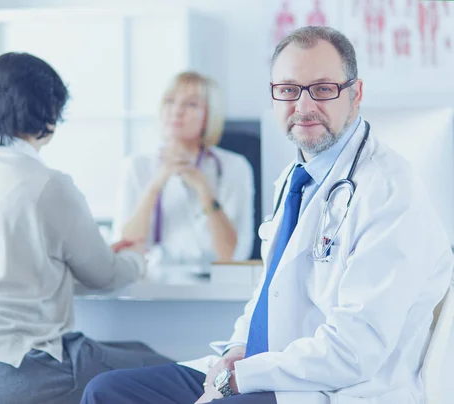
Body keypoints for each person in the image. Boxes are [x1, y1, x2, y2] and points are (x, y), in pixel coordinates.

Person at [80, 26, 454, 404]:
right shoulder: (295, 178)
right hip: (274, 368)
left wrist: (241, 376)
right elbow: (267, 294)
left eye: (323, 89)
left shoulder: (390, 193)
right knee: (107, 392)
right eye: (289, 90)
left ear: (355, 95)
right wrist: (236, 350)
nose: (303, 107)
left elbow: (354, 351)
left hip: (338, 386)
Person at [0, 52, 172, 404]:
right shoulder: (48, 183)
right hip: (16, 370)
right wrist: (137, 258)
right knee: (163, 373)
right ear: (51, 111)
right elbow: (106, 276)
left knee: (135, 356)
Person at [113, 71, 254, 266]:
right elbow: (124, 246)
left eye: (191, 104)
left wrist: (204, 190)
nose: (177, 111)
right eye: (170, 101)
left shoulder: (234, 167)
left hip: (214, 286)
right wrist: (155, 185)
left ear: (209, 115)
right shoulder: (136, 166)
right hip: (150, 285)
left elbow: (232, 255)